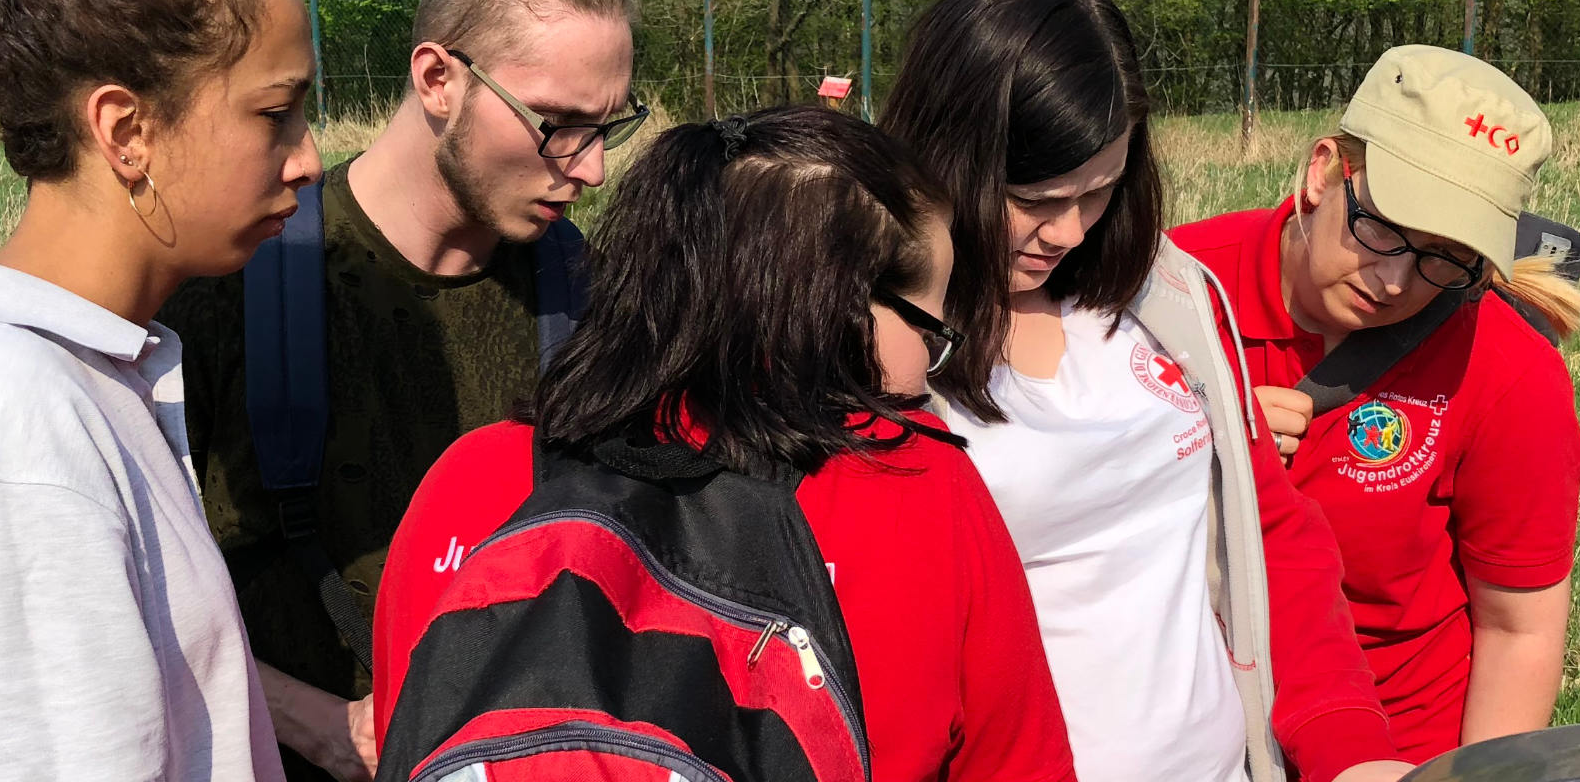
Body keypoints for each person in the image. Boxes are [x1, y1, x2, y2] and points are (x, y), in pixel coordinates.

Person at [374, 106, 1079, 782]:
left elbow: (408, 739)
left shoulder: (470, 477)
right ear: (838, 309)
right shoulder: (918, 485)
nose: (929, 370)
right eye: (931, 330)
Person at [879, 0, 1412, 780]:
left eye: (1099, 191)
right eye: (1033, 199)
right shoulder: (881, 351)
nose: (1068, 231)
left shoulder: (1170, 296)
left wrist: (1351, 751)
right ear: (944, 155)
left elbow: (1271, 536)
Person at [0, 0, 321, 777]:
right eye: (275, 113)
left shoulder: (72, 376)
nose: (309, 158)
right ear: (127, 132)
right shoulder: (6, 429)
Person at [150, 0, 644, 778]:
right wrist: (311, 721)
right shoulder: (230, 287)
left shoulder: (595, 299)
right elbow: (121, 594)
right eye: (556, 124)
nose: (591, 168)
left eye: (608, 127)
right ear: (438, 79)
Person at [1168, 44, 1580, 762]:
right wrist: (1189, 442)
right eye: (1384, 227)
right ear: (1324, 171)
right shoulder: (1174, 293)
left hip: (1393, 749)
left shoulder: (1510, 372)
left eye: (1445, 256)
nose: (1395, 282)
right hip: (1190, 730)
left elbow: (1518, 629)